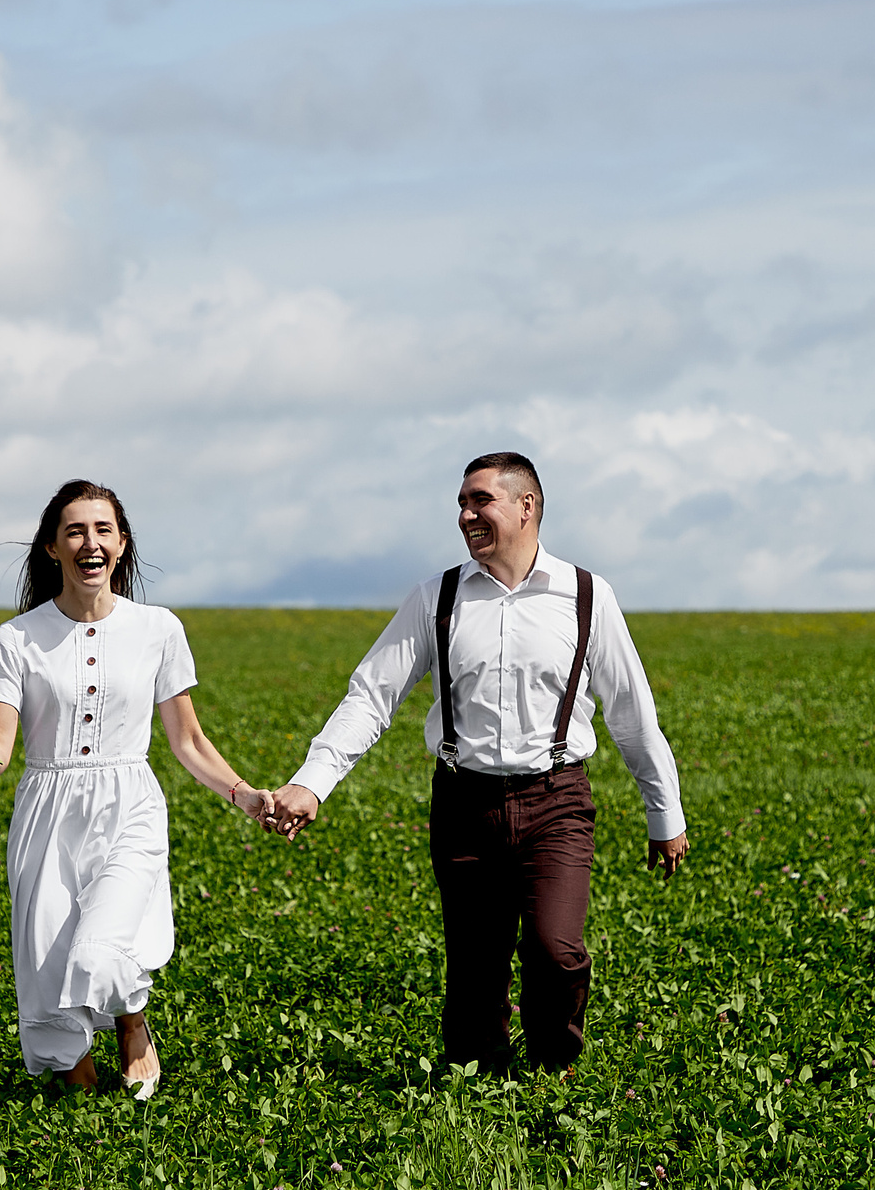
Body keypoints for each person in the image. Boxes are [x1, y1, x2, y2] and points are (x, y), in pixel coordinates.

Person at [264, 452, 688, 1074]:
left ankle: (554, 1073)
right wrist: (313, 782)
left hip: (556, 799)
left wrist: (664, 813)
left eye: (480, 500)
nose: (466, 515)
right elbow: (371, 697)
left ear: (527, 506)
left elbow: (631, 712)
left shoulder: (586, 596)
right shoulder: (436, 597)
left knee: (556, 949)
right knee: (475, 962)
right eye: (462, 504)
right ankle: (477, 1078)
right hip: (464, 802)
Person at [0, 479, 270, 1099]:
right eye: (75, 531)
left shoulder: (158, 629)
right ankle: (79, 1089)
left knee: (104, 943)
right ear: (52, 548)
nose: (90, 543)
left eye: (103, 530)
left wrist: (243, 794)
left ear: (122, 543)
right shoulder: (16, 638)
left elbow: (188, 740)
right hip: (47, 812)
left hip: (129, 804)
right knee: (49, 968)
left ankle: (132, 1021)